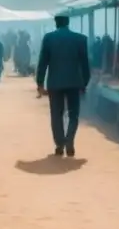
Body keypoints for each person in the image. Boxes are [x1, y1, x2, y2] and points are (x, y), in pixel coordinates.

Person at [36, 15, 91, 158]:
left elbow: (43, 62)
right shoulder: (80, 39)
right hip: (74, 82)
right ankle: (70, 141)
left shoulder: (48, 38)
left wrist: (40, 82)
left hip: (55, 82)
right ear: (68, 23)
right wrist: (85, 82)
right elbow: (85, 63)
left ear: (56, 24)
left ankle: (60, 144)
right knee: (74, 114)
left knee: (56, 114)